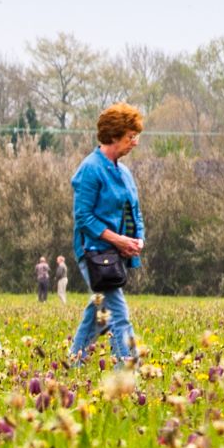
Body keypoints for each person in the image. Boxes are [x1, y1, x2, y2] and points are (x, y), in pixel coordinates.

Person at [69, 104, 147, 365]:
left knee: (97, 314)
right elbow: (83, 217)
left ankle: (73, 363)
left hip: (117, 254)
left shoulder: (123, 171)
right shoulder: (90, 169)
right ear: (113, 136)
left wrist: (137, 240)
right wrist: (118, 240)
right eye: (130, 137)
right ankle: (127, 369)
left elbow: (134, 210)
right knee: (118, 314)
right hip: (94, 253)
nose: (134, 142)